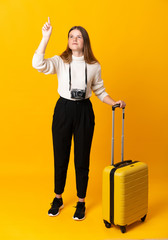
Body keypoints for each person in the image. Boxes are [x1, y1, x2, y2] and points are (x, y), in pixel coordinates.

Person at [32, 17, 126, 221]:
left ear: (85, 41)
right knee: (61, 155)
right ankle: (58, 198)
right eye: (71, 36)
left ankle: (81, 201)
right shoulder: (60, 61)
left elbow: (100, 91)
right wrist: (45, 38)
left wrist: (114, 103)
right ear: (68, 41)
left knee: (82, 158)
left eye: (79, 36)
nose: (74, 39)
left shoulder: (94, 65)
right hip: (63, 109)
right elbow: (37, 64)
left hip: (84, 110)